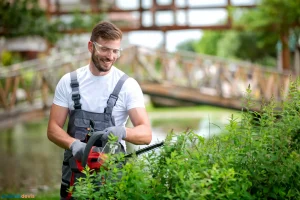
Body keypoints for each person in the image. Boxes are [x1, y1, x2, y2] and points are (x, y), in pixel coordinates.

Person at [47, 21, 152, 199]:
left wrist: (122, 131)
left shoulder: (128, 86)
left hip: (112, 177)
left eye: (115, 51)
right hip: (74, 177)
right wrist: (73, 144)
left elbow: (146, 134)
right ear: (91, 46)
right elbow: (52, 129)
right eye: (105, 49)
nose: (110, 56)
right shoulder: (68, 82)